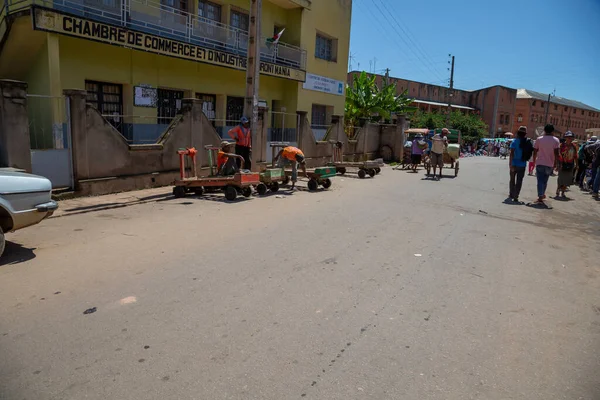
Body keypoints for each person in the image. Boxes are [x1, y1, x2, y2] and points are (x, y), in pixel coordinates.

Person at [532, 124, 560, 204]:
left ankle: (540, 196)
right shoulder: (556, 140)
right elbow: (557, 153)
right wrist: (556, 164)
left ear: (544, 130)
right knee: (545, 180)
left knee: (540, 180)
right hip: (549, 163)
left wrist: (534, 161)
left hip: (540, 162)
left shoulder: (539, 139)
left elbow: (535, 151)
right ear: (552, 131)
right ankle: (542, 194)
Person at [508, 126, 530, 202]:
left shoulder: (514, 141)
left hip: (514, 163)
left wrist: (510, 164)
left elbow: (511, 153)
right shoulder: (527, 142)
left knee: (512, 180)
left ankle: (511, 194)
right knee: (519, 181)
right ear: (525, 134)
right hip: (522, 164)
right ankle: (516, 195)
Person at [556, 131, 577, 197]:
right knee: (560, 178)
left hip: (570, 164)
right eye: (568, 137)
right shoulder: (561, 145)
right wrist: (556, 164)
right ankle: (558, 189)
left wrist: (577, 164)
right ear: (566, 138)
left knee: (567, 179)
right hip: (562, 164)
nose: (569, 139)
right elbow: (558, 155)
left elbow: (575, 156)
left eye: (571, 138)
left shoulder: (573, 146)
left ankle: (563, 191)